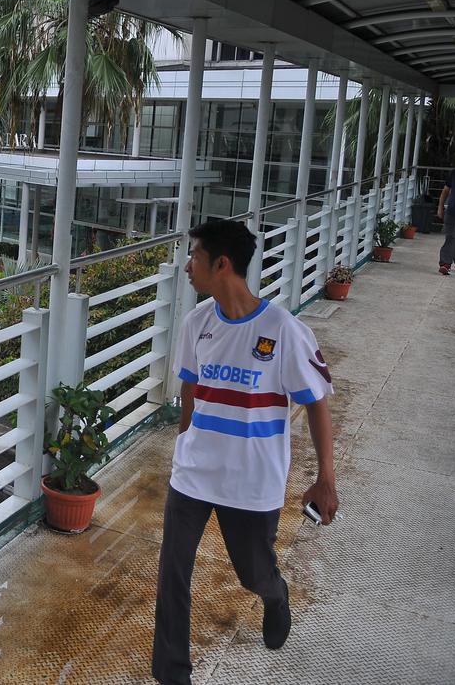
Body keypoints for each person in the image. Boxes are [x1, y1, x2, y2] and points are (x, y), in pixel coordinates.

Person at [152, 220, 338, 685]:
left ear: (221, 264)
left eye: (193, 256)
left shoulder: (284, 331)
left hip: (253, 482)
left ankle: (275, 596)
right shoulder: (198, 323)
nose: (187, 266)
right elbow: (190, 395)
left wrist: (326, 478)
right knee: (172, 572)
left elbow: (316, 401)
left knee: (253, 574)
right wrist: (183, 449)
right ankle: (172, 673)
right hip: (193, 474)